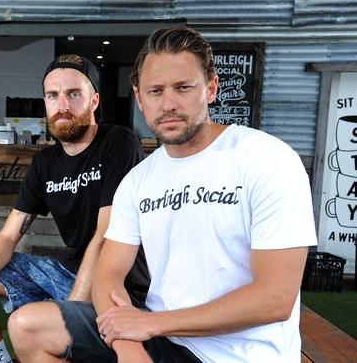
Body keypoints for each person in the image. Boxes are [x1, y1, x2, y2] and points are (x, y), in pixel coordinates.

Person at [19, 26, 318, 363]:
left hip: (242, 353)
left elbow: (275, 298)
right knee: (29, 325)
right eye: (156, 91)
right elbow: (109, 273)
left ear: (211, 88)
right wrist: (128, 347)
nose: (169, 104)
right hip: (161, 340)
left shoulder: (267, 159)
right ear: (140, 98)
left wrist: (149, 324)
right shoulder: (139, 179)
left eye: (183, 88)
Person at [0, 54, 150, 363]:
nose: (62, 104)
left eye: (73, 94)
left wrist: (70, 312)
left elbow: (105, 235)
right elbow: (9, 235)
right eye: (53, 95)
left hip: (115, 283)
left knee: (28, 325)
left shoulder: (119, 142)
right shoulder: (45, 162)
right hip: (68, 270)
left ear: (94, 101)